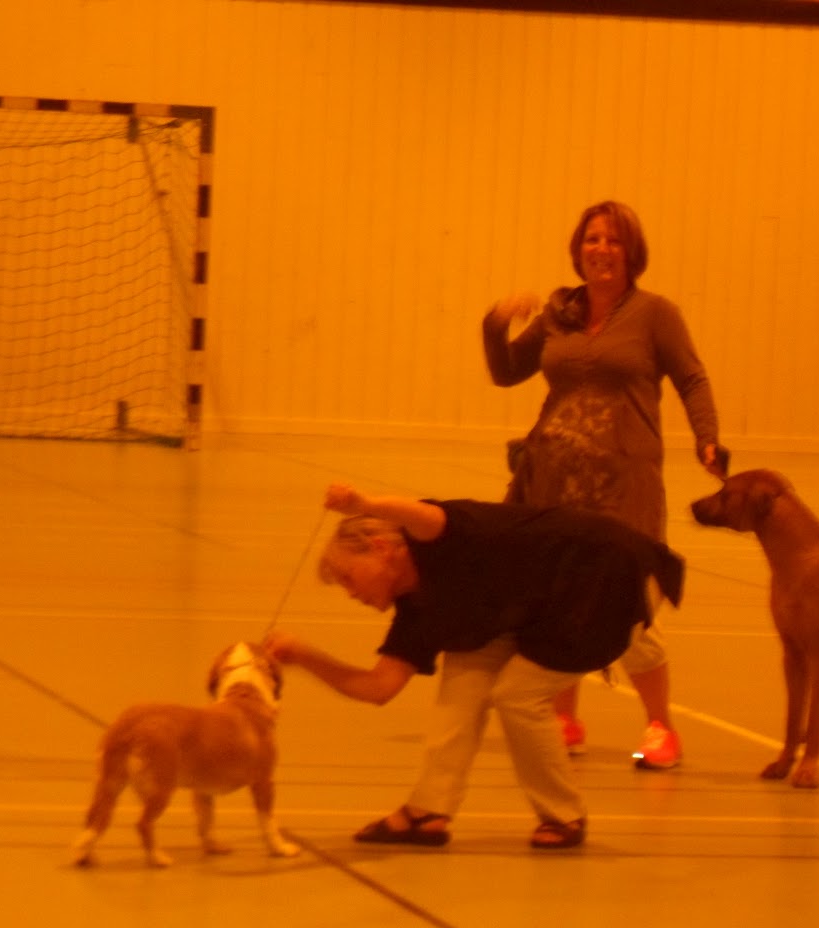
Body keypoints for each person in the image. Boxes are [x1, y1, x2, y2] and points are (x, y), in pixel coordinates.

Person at [265, 483, 684, 850]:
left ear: (380, 548)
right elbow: (379, 688)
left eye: (348, 578)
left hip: (606, 576)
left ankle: (564, 816)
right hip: (541, 608)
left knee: (517, 695)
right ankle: (428, 810)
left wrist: (363, 503)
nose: (350, 593)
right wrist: (303, 655)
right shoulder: (418, 611)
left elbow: (421, 513)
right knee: (463, 681)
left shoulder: (432, 537)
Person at [483, 199, 726, 770]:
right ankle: (564, 719)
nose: (602, 250)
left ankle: (660, 727)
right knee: (557, 602)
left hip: (624, 486)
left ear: (631, 253)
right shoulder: (559, 313)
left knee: (629, 609)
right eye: (592, 239)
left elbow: (692, 378)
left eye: (614, 240)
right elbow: (507, 371)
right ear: (578, 249)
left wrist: (707, 439)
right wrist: (495, 323)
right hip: (553, 482)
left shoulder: (655, 315)